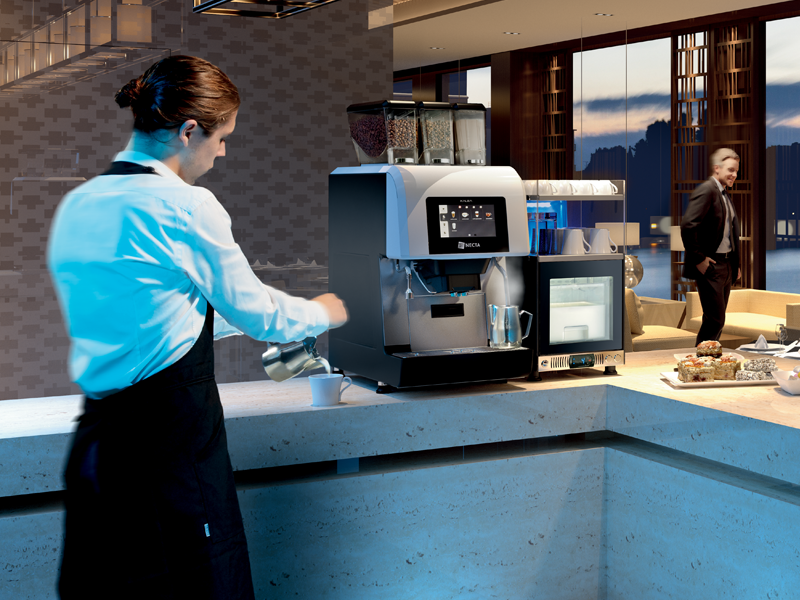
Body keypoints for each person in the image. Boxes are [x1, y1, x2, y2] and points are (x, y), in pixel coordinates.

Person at [47, 55, 347, 600]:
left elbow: (154, 319)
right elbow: (260, 313)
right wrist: (326, 311)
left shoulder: (78, 204)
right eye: (221, 136)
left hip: (99, 448)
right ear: (188, 130)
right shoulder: (185, 206)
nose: (223, 150)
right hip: (169, 451)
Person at [681, 147, 741, 345]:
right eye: (731, 170)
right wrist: (699, 259)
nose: (734, 175)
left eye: (736, 171)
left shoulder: (724, 194)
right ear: (717, 168)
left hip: (726, 266)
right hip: (711, 266)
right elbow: (688, 226)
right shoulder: (707, 190)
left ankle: (706, 361)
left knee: (715, 319)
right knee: (715, 319)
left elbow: (729, 233)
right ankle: (700, 362)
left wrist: (736, 265)